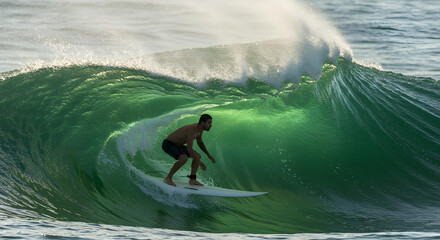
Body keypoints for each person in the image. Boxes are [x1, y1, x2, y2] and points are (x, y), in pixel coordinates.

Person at [162, 114, 216, 186]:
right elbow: (189, 148)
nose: (211, 125)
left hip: (178, 145)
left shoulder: (200, 131)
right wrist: (200, 163)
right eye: (209, 123)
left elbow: (200, 143)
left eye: (211, 123)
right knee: (184, 158)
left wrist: (208, 155)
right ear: (202, 123)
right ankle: (168, 178)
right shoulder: (193, 129)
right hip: (168, 144)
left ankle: (192, 179)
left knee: (198, 156)